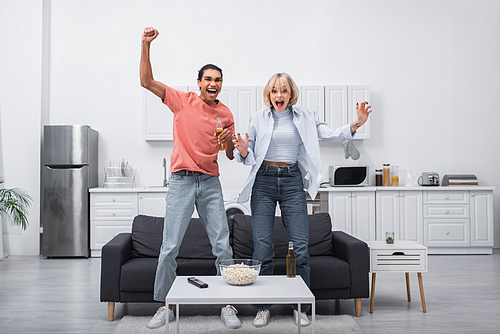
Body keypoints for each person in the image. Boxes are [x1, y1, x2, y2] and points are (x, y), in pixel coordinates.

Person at [232, 72, 372, 327]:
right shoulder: (258, 118)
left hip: (292, 180)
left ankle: (301, 306)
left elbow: (331, 134)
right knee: (262, 249)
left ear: (290, 94)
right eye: (274, 91)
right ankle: (262, 307)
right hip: (263, 181)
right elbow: (248, 151)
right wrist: (242, 150)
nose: (279, 95)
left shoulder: (307, 116)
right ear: (269, 95)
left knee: (301, 248)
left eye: (284, 91)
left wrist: (356, 124)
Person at [140, 27, 241, 329]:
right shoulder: (182, 101)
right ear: (199, 83)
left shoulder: (226, 113)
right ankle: (164, 305)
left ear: (221, 85)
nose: (213, 83)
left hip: (210, 183)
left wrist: (229, 143)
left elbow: (229, 155)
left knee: (222, 246)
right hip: (182, 181)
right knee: (170, 246)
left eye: (218, 79)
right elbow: (145, 81)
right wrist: (145, 45)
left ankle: (228, 304)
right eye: (208, 79)